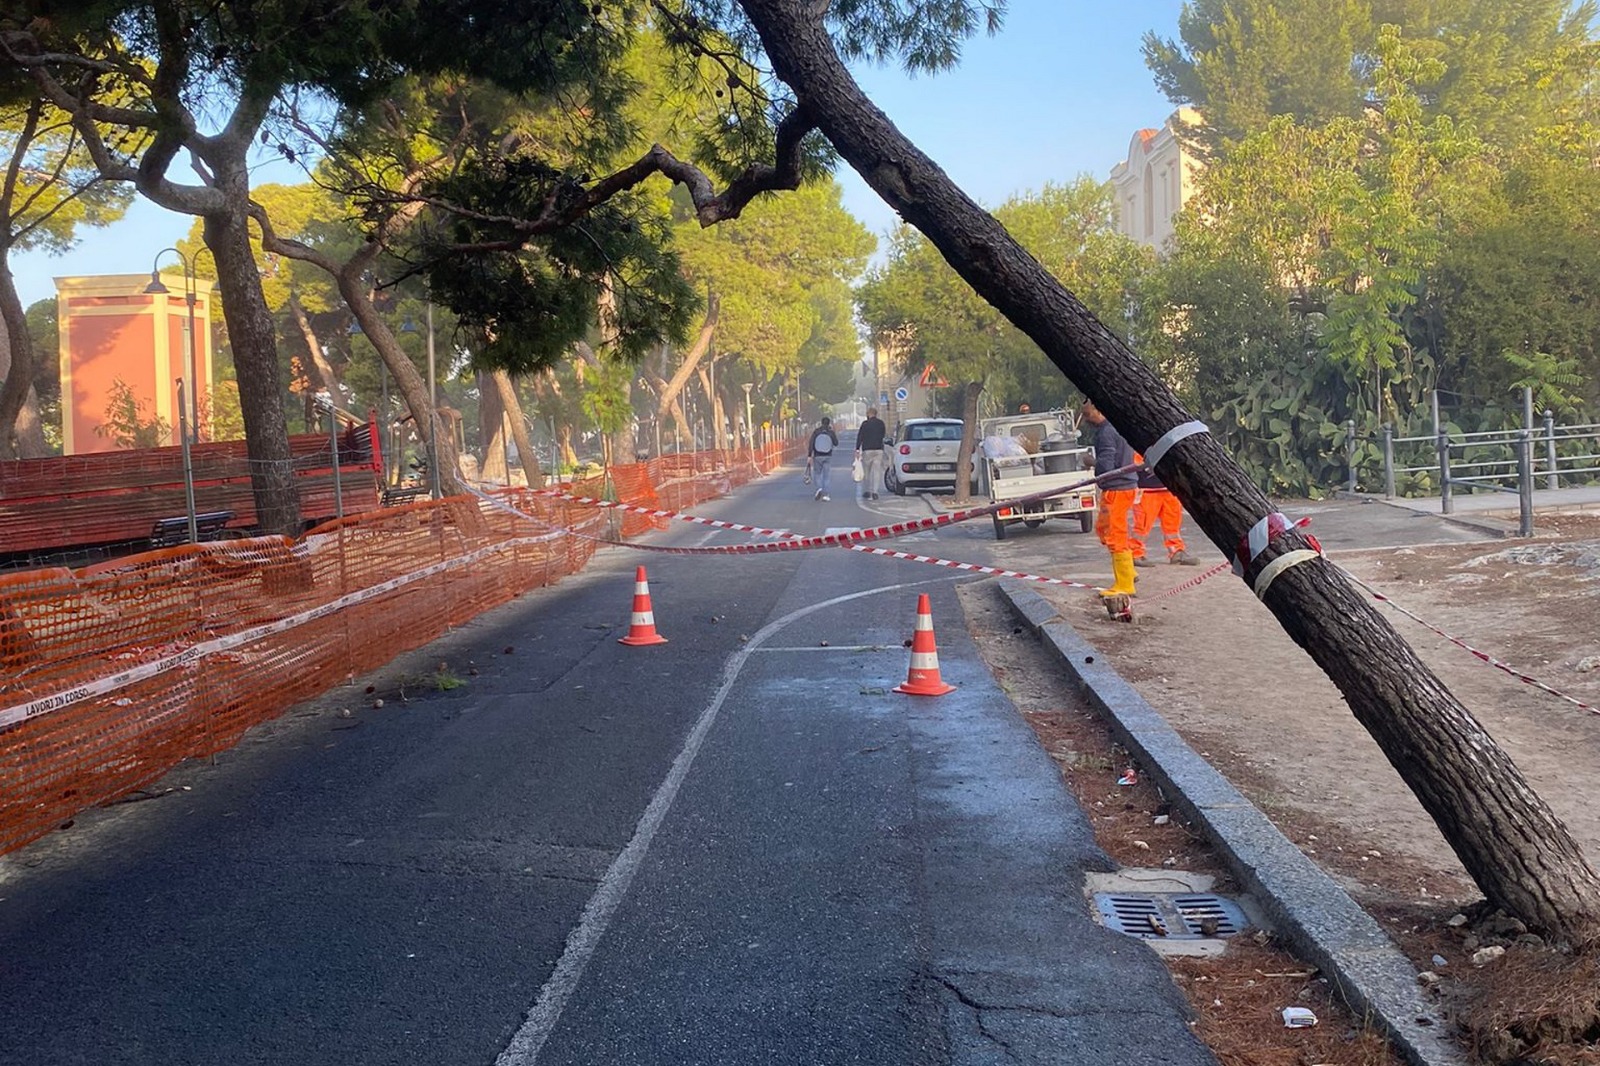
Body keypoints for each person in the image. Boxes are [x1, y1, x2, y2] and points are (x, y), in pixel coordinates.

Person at [1081, 399, 1138, 598]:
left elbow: (1106, 467)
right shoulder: (1118, 427)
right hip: (1125, 487)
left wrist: (1090, 462)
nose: (1087, 421)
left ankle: (1124, 584)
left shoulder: (1106, 433)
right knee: (1104, 528)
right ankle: (1129, 571)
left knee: (1115, 534)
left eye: (1088, 415)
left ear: (1099, 409)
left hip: (1117, 489)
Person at [1132, 461, 1198, 567]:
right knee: (1142, 525)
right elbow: (1134, 464)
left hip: (1170, 489)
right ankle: (1135, 553)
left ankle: (1177, 551)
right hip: (1146, 489)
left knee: (1173, 524)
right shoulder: (1138, 445)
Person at [854, 406, 887, 500]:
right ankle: (875, 492)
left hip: (867, 450)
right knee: (876, 472)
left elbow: (860, 436)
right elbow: (883, 435)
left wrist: (857, 449)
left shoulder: (865, 424)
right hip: (878, 450)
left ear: (868, 414)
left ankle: (868, 490)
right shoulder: (881, 423)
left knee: (867, 471)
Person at [808, 416, 839, 501]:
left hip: (817, 456)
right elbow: (836, 443)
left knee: (817, 474)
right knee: (827, 476)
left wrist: (809, 455)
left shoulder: (816, 432)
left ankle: (819, 488)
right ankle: (826, 495)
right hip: (828, 456)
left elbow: (811, 443)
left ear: (821, 422)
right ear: (829, 423)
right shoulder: (831, 432)